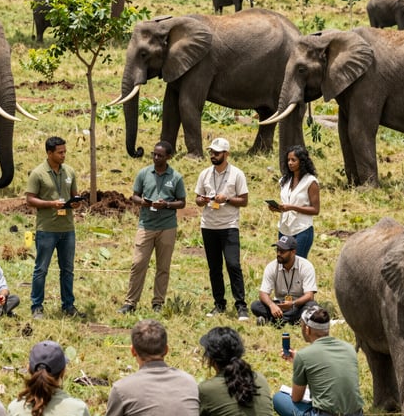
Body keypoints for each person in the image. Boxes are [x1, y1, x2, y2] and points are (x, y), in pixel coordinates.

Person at [272, 306, 365, 416]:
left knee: (278, 398)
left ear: (307, 329)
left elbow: (296, 398)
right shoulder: (349, 348)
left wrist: (299, 361)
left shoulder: (304, 356)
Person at [118, 141, 186, 314]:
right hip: (146, 225)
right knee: (138, 263)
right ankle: (130, 303)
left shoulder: (176, 177)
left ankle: (158, 302)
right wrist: (144, 202)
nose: (156, 158)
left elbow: (182, 202)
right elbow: (134, 196)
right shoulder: (144, 173)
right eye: (154, 154)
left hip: (167, 227)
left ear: (169, 157)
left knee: (163, 267)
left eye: (160, 155)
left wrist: (168, 205)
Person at [25, 136, 84, 319]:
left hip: (67, 228)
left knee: (67, 269)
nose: (63, 155)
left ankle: (68, 305)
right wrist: (51, 204)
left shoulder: (70, 172)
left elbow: (75, 195)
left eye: (65, 151)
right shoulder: (38, 173)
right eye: (60, 152)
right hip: (47, 229)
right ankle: (37, 307)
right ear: (49, 153)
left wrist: (75, 204)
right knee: (41, 268)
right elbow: (29, 199)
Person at [194, 137, 249, 320]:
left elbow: (244, 200)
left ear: (226, 154)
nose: (213, 155)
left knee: (233, 265)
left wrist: (226, 199)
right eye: (211, 152)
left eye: (216, 153)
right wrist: (201, 200)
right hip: (208, 225)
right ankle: (219, 304)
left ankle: (241, 305)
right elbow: (197, 198)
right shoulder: (204, 174)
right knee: (214, 267)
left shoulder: (237, 174)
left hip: (229, 226)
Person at [250, 236, 318, 326]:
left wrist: (292, 304)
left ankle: (273, 321)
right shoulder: (271, 266)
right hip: (279, 306)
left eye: (282, 251)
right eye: (277, 250)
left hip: (298, 305)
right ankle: (296, 321)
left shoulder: (306, 266)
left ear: (293, 252)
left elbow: (309, 296)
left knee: (312, 306)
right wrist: (271, 305)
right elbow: (263, 293)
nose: (278, 254)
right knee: (255, 306)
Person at [267, 145, 320, 258]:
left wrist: (292, 207)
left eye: (293, 160)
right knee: (283, 263)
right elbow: (286, 206)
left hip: (302, 229)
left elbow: (315, 210)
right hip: (284, 229)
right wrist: (277, 209)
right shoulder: (285, 180)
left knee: (297, 262)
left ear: (302, 161)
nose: (290, 163)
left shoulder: (310, 181)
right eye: (288, 160)